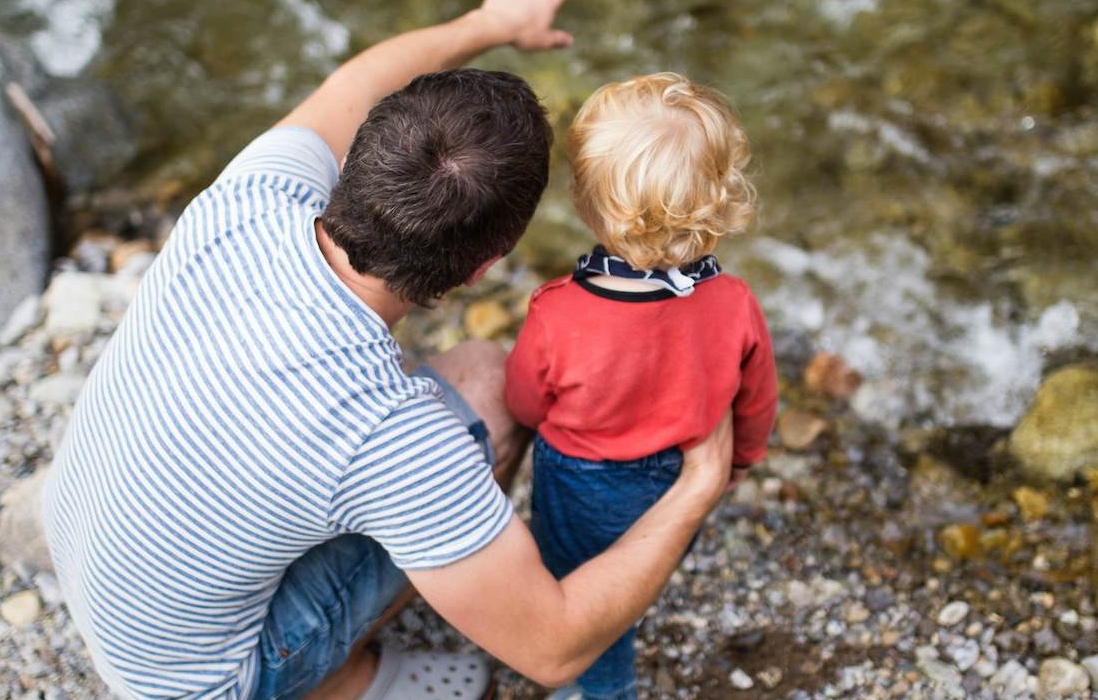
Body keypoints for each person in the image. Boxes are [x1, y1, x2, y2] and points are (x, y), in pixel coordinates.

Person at [41, 1, 740, 698]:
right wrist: (695, 490)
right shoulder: (385, 433)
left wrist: (489, 22)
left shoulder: (251, 196)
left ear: (357, 155)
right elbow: (553, 648)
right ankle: (340, 683)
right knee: (489, 385)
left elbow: (352, 81)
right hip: (195, 683)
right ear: (482, 269)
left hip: (87, 556)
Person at [503, 73, 777, 700]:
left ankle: (604, 688)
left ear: (587, 203)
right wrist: (739, 464)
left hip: (582, 480)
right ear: (719, 202)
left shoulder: (558, 311)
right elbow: (756, 400)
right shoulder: (734, 303)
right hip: (680, 476)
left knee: (585, 585)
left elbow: (523, 401)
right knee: (641, 572)